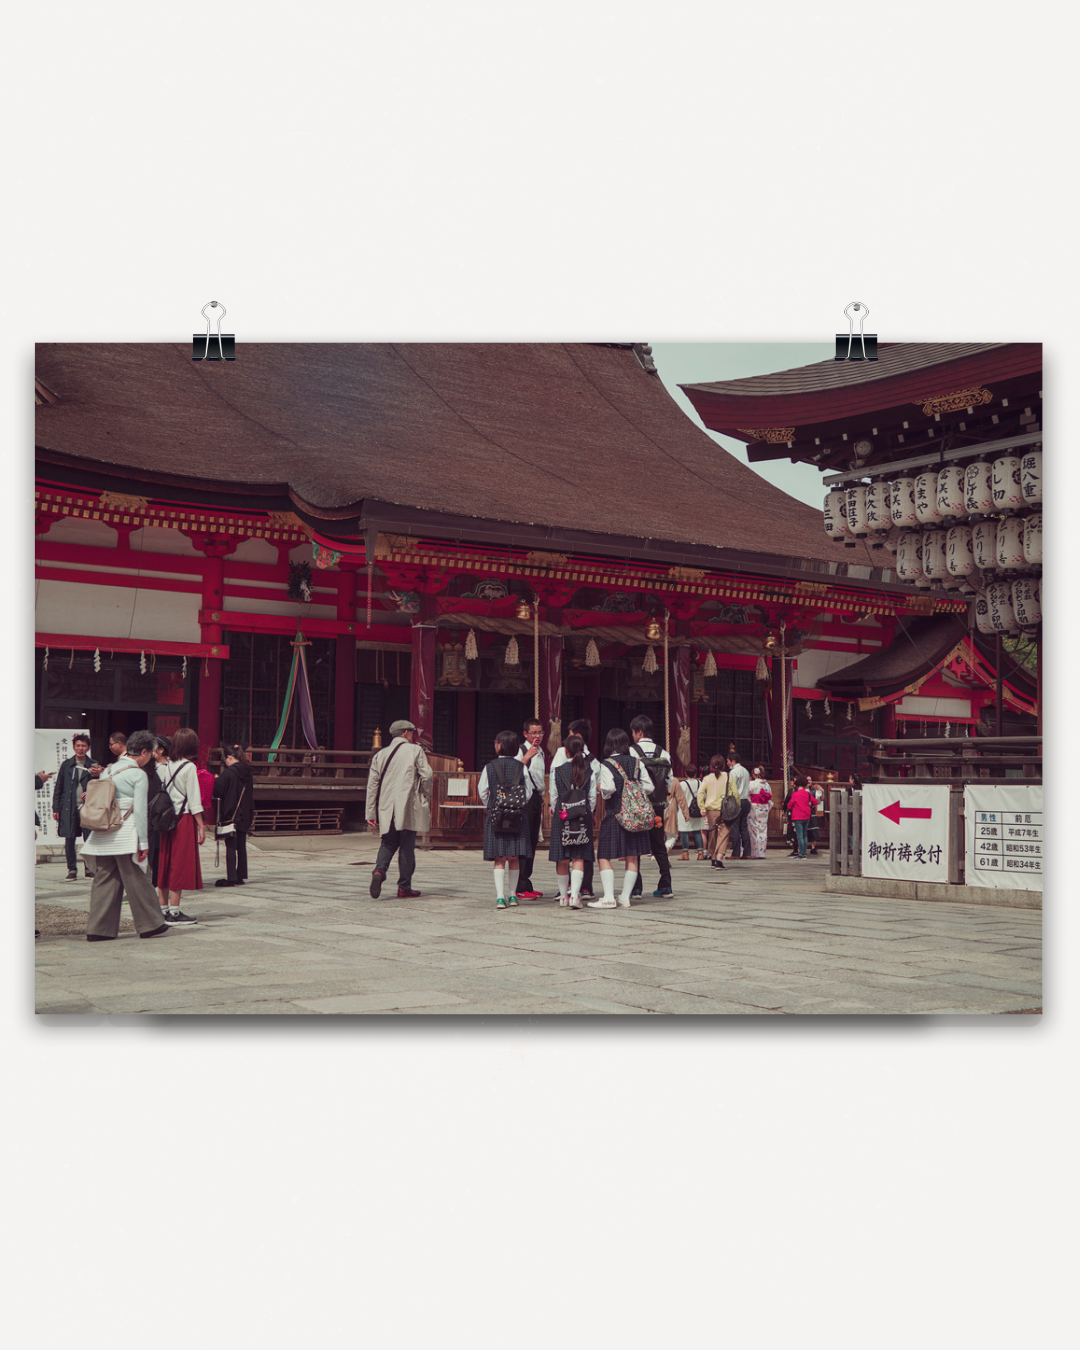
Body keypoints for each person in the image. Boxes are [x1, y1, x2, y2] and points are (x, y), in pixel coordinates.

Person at [82, 730, 171, 941]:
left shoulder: (108, 770)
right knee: (137, 879)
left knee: (105, 879)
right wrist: (143, 841)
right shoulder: (138, 774)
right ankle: (151, 924)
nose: (150, 757)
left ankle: (98, 929)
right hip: (125, 831)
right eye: (150, 753)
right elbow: (140, 811)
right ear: (143, 752)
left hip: (102, 832)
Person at [365, 719, 434, 899]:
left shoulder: (380, 755)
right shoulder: (415, 750)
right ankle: (404, 887)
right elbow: (427, 775)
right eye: (411, 732)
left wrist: (370, 812)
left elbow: (372, 785)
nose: (413, 736)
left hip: (387, 807)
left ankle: (379, 871)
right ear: (405, 733)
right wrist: (426, 795)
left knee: (387, 843)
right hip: (408, 806)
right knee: (406, 846)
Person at [591, 727, 651, 908]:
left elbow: (608, 789)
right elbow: (649, 787)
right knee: (632, 856)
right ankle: (625, 897)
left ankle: (609, 897)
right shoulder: (637, 763)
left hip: (615, 813)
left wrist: (600, 788)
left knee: (604, 855)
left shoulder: (607, 764)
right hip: (635, 816)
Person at [155, 726, 205, 925]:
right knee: (179, 864)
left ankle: (162, 908)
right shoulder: (189, 767)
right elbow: (194, 800)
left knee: (165, 863)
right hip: (183, 820)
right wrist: (201, 825)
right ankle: (174, 912)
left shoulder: (165, 765)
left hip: (166, 819)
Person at [480, 729, 533, 909]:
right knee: (514, 858)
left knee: (499, 858)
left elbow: (482, 791)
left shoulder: (489, 766)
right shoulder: (522, 767)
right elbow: (528, 792)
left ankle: (500, 897)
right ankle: (512, 895)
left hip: (497, 816)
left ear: (499, 745)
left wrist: (493, 804)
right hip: (518, 817)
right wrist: (517, 805)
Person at [549, 718, 601, 897]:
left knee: (562, 856)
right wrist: (590, 812)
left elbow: (554, 793)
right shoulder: (591, 767)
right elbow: (592, 796)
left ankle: (564, 895)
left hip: (562, 814)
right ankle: (577, 894)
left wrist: (556, 809)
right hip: (582, 814)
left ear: (567, 750)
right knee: (580, 855)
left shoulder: (558, 769)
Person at [627, 715, 673, 899]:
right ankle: (666, 885)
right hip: (657, 807)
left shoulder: (632, 751)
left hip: (638, 807)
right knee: (659, 846)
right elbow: (669, 780)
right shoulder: (664, 753)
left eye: (633, 732)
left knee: (636, 846)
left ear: (639, 732)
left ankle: (636, 888)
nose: (633, 736)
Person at [52, 733, 100, 880]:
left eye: (83, 746)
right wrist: (56, 808)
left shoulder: (93, 765)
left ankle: (89, 868)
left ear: (88, 748)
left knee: (89, 838)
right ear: (73, 747)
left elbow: (100, 786)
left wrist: (91, 791)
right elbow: (59, 787)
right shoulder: (67, 765)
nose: (80, 748)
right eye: (78, 745)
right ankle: (72, 869)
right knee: (69, 838)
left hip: (87, 807)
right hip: (68, 807)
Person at [212, 743, 255, 887]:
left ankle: (231, 878)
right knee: (241, 845)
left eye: (225, 758)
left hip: (232, 813)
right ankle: (240, 875)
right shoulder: (247, 772)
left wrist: (216, 779)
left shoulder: (229, 773)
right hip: (245, 813)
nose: (225, 761)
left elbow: (218, 791)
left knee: (231, 845)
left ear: (230, 757)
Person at [513, 718, 547, 900]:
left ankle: (527, 881)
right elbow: (515, 770)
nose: (537, 736)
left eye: (540, 732)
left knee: (533, 841)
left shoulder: (541, 752)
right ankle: (519, 884)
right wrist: (527, 757)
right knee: (524, 841)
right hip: (524, 799)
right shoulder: (521, 750)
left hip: (536, 798)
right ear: (525, 734)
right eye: (533, 732)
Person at [697, 755, 734, 869]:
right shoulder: (728, 777)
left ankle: (713, 858)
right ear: (723, 765)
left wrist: (702, 808)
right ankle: (719, 859)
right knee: (724, 834)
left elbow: (700, 793)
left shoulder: (707, 778)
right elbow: (734, 793)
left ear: (711, 766)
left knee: (712, 834)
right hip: (725, 809)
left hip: (711, 809)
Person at [674, 763, 705, 860]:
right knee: (697, 831)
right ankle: (700, 852)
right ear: (695, 774)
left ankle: (685, 853)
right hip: (696, 810)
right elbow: (704, 796)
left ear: (686, 773)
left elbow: (678, 797)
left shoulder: (682, 784)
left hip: (685, 810)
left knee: (684, 831)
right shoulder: (700, 783)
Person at [726, 751, 752, 860]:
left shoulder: (733, 772)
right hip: (746, 800)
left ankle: (736, 853)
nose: (727, 763)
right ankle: (747, 852)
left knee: (735, 827)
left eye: (728, 761)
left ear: (733, 761)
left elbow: (731, 787)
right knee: (744, 828)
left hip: (737, 800)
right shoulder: (745, 771)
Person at [748, 766, 773, 859]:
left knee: (753, 830)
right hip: (764, 808)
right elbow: (770, 797)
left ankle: (754, 853)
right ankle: (761, 853)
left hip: (754, 808)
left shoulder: (752, 784)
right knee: (763, 830)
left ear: (754, 774)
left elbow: (746, 794)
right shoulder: (767, 785)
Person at [788, 774, 812, 859]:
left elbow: (789, 805)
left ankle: (801, 853)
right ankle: (804, 852)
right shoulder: (808, 794)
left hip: (798, 816)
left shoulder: (795, 794)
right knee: (805, 835)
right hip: (807, 816)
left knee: (800, 836)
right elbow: (815, 801)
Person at [806, 775, 825, 855]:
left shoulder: (814, 791)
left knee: (814, 829)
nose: (809, 781)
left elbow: (821, 799)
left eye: (810, 780)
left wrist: (822, 791)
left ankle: (813, 847)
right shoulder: (802, 790)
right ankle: (803, 847)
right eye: (807, 780)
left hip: (812, 811)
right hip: (805, 811)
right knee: (805, 829)